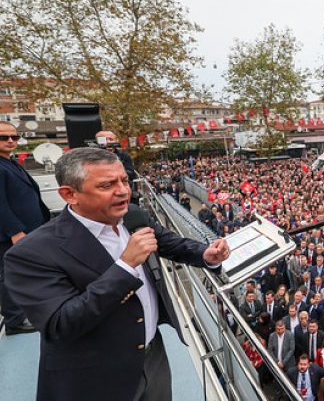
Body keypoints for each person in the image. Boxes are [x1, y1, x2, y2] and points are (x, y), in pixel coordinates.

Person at [3, 147, 230, 401]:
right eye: (107, 185)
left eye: (124, 180)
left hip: (152, 357)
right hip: (94, 377)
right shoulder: (31, 253)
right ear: (70, 194)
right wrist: (125, 266)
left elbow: (168, 243)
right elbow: (60, 325)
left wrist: (205, 254)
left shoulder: (132, 216)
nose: (123, 190)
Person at [0, 121, 50, 335]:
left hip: (27, 230)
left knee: (25, 271)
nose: (11, 140)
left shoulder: (9, 162)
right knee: (9, 274)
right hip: (11, 234)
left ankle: (25, 312)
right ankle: (14, 320)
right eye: (4, 137)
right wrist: (15, 231)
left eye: (15, 136)